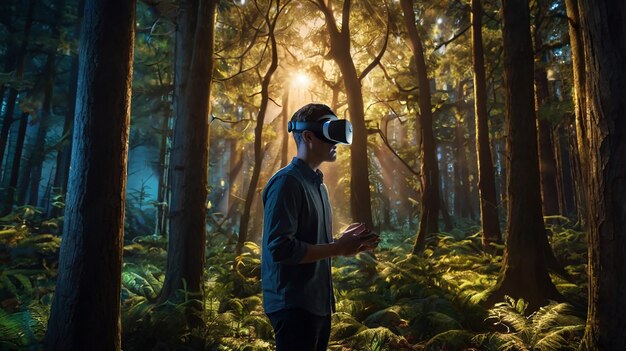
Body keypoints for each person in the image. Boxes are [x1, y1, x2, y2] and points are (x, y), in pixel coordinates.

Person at [261, 103, 379, 351]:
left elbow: (312, 243)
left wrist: (342, 243)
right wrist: (337, 248)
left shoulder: (319, 185)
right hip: (293, 306)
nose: (336, 142)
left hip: (318, 304)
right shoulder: (287, 183)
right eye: (329, 133)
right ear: (308, 136)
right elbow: (281, 249)